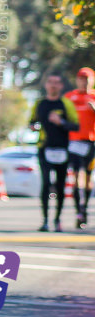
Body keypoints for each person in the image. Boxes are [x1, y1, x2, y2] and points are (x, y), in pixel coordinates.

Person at [30, 72, 80, 233]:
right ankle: (44, 220)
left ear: (61, 86)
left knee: (60, 186)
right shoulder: (40, 104)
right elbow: (31, 121)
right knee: (45, 184)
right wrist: (32, 126)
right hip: (45, 148)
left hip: (63, 149)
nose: (53, 85)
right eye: (50, 82)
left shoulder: (66, 104)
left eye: (56, 82)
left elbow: (76, 126)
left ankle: (57, 219)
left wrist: (62, 122)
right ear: (46, 85)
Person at [64, 67, 95, 228]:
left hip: (91, 143)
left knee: (89, 178)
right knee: (75, 177)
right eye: (81, 79)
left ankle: (85, 207)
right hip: (74, 143)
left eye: (87, 79)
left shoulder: (94, 97)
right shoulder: (70, 97)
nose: (84, 82)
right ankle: (79, 211)